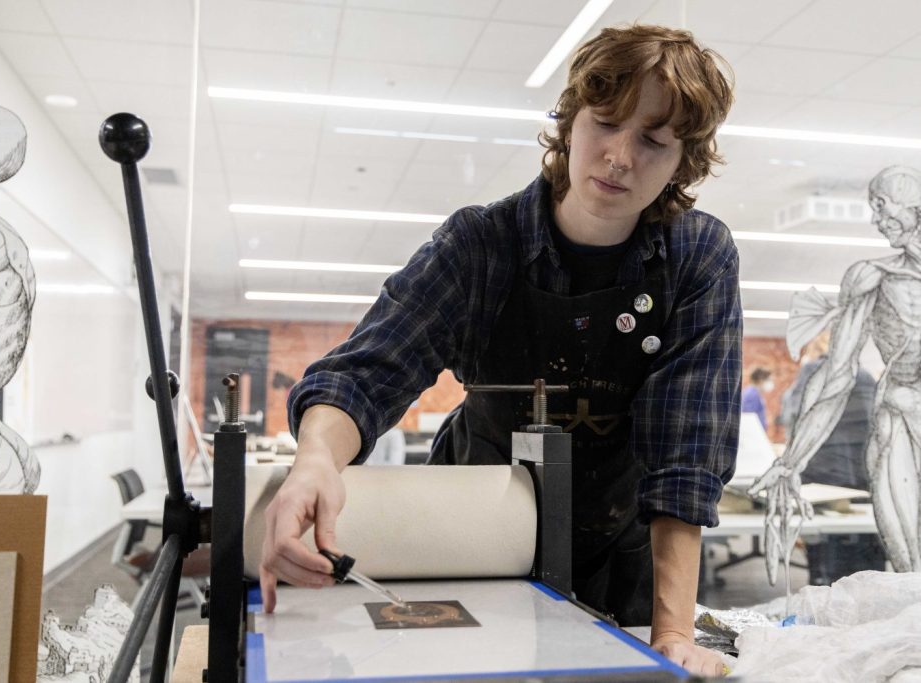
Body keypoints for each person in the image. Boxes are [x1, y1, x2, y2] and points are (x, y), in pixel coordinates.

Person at [260, 24, 740, 676]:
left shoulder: (696, 258)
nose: (620, 156)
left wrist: (675, 631)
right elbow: (367, 374)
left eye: (653, 141)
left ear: (682, 161)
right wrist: (316, 460)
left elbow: (685, 455)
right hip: (473, 537)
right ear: (570, 123)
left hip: (626, 555)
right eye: (604, 124)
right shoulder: (482, 245)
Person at [751, 166, 921, 580]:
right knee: (920, 579)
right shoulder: (872, 277)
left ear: (916, 205)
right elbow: (836, 375)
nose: (876, 221)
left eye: (882, 207)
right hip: (904, 430)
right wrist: (791, 461)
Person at [778, 333, 885, 584]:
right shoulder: (865, 377)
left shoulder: (811, 374)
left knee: (824, 552)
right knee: (863, 554)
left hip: (819, 480)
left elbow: (792, 421)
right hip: (860, 477)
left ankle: (824, 593)